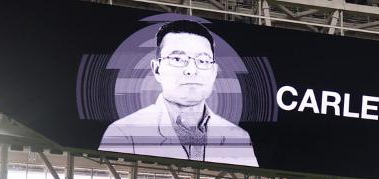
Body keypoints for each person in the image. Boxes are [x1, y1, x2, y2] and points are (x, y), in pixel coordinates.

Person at [99, 19, 259, 167]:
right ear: (156, 69)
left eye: (202, 61)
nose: (191, 70)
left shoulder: (238, 138)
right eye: (177, 59)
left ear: (214, 71)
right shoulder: (124, 133)